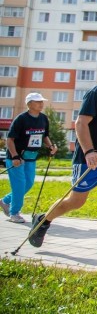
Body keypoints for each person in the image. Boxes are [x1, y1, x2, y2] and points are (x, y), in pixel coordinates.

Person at [28, 57, 97, 255]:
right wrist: (89, 151)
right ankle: (43, 221)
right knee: (76, 201)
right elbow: (81, 123)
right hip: (91, 156)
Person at [1, 93, 58, 223]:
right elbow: (9, 140)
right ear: (29, 104)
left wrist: (51, 146)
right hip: (17, 157)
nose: (41, 104)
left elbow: (44, 136)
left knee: (28, 183)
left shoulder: (43, 118)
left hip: (31, 157)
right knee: (19, 185)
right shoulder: (21, 119)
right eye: (38, 102)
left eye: (42, 101)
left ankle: (4, 201)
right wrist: (15, 156)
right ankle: (14, 213)